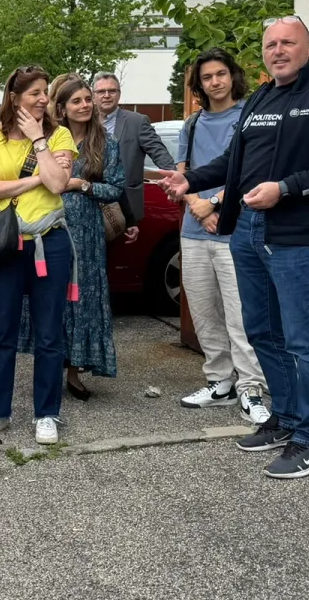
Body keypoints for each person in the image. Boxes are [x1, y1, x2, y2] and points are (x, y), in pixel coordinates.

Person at [160, 17, 309, 479]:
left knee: (304, 340)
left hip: (295, 234)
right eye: (271, 44)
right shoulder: (261, 99)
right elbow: (235, 161)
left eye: (288, 42)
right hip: (247, 229)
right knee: (261, 331)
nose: (278, 50)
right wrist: (191, 179)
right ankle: (286, 419)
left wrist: (286, 188)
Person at [0, 66, 77, 445]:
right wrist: (35, 179)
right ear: (14, 98)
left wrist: (38, 140)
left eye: (45, 92)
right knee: (2, 333)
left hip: (51, 243)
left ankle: (46, 414)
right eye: (35, 93)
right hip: (5, 245)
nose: (44, 99)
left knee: (49, 334)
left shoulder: (59, 135)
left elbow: (59, 183)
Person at [173, 49, 269, 425]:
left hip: (235, 229)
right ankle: (220, 382)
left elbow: (251, 171)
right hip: (194, 231)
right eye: (207, 77)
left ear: (232, 76)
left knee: (240, 315)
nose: (215, 82)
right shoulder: (192, 124)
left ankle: (251, 388)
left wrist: (214, 203)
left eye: (220, 74)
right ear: (199, 84)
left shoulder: (248, 117)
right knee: (204, 311)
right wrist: (197, 205)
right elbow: (182, 173)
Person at [20, 75, 127, 399]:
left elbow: (116, 187)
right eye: (76, 101)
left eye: (87, 99)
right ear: (62, 107)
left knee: (82, 300)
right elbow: (25, 175)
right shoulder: (48, 139)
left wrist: (83, 184)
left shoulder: (105, 142)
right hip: (47, 225)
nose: (84, 105)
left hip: (87, 234)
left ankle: (74, 371)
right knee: (49, 298)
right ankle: (49, 368)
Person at [92, 72, 174, 227]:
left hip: (126, 204)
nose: (107, 95)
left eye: (112, 91)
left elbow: (159, 152)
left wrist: (174, 176)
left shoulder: (137, 121)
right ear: (93, 96)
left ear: (119, 94)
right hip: (92, 203)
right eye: (101, 91)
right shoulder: (85, 122)